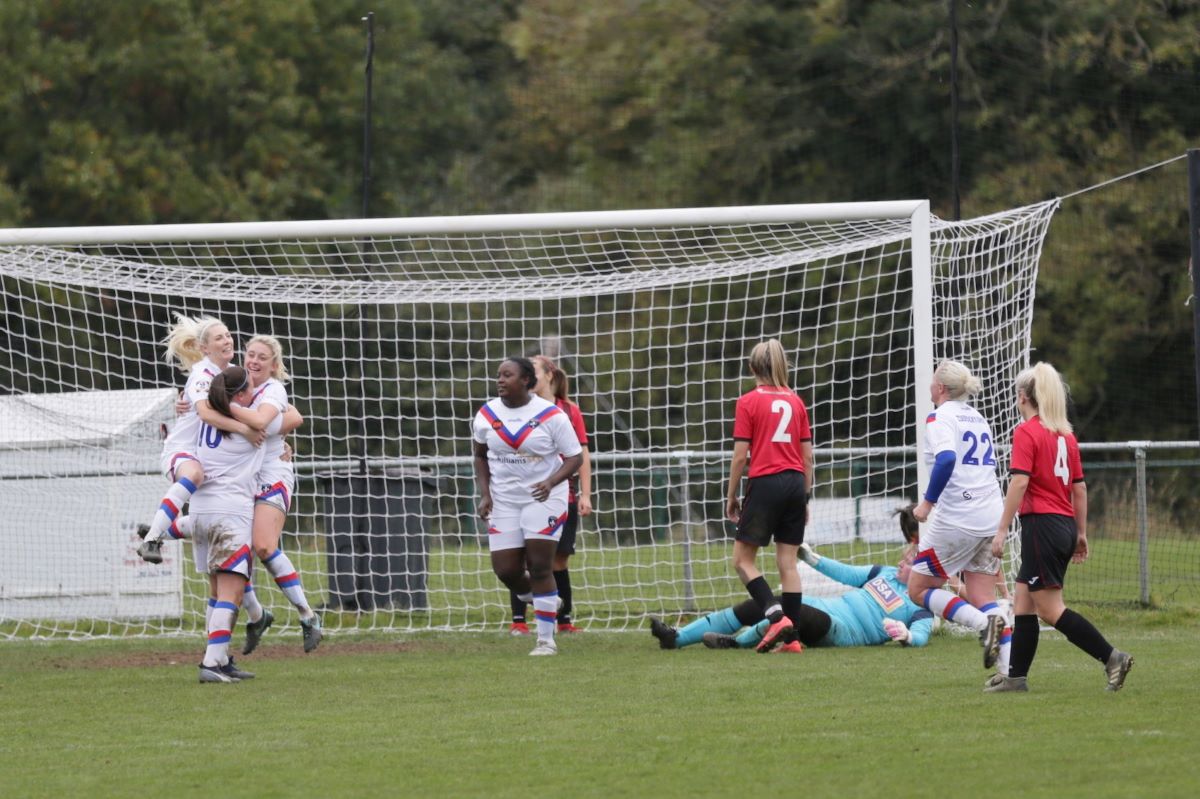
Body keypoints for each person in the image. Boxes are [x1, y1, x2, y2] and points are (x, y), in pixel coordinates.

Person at [985, 363, 1133, 693]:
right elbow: (1079, 488)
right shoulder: (1066, 435)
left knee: (1051, 610)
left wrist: (1001, 530)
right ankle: (1016, 678)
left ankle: (1113, 658)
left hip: (1041, 526)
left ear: (1023, 397)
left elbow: (1020, 482)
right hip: (1063, 525)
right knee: (1023, 600)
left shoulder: (1027, 432)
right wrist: (1080, 533)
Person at [650, 506, 936, 652]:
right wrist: (810, 557)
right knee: (761, 604)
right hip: (828, 607)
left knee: (788, 609)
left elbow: (923, 635)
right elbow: (846, 572)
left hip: (842, 632)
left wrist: (908, 635)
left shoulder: (920, 604)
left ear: (925, 568)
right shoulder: (883, 572)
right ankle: (676, 638)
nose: (902, 560)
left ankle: (736, 643)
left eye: (910, 560)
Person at [474, 357, 583, 656]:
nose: (500, 380)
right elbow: (480, 456)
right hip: (505, 499)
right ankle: (544, 598)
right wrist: (485, 495)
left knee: (539, 565)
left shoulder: (552, 415)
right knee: (506, 569)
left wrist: (550, 482)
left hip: (545, 497)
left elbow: (575, 457)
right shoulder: (485, 414)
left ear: (526, 381)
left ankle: (546, 639)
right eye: (498, 375)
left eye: (507, 375)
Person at [139, 314, 264, 565]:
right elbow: (207, 414)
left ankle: (158, 529)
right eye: (219, 338)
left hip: (211, 459)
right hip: (182, 450)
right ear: (204, 348)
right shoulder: (201, 375)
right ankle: (151, 539)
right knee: (194, 476)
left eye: (228, 335)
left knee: (218, 515)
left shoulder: (232, 374)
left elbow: (259, 408)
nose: (227, 340)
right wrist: (245, 430)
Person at [909, 360, 1008, 671]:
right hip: (992, 514)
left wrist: (927, 503)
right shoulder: (977, 417)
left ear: (940, 388)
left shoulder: (940, 416)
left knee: (919, 589)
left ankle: (984, 626)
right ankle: (1010, 672)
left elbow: (947, 459)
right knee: (982, 595)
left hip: (960, 518)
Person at [724, 338, 814, 653]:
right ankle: (793, 640)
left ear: (751, 368)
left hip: (766, 482)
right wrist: (805, 498)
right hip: (794, 483)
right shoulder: (796, 401)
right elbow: (807, 458)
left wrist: (731, 494)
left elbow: (739, 457)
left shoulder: (748, 401)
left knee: (742, 560)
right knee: (787, 563)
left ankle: (776, 617)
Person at [190, 365, 267, 683]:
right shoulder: (245, 427)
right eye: (250, 390)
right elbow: (278, 421)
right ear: (238, 396)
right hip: (229, 514)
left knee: (217, 590)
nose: (255, 395)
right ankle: (211, 663)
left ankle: (220, 660)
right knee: (232, 592)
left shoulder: (204, 419)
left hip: (199, 510)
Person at [508, 355, 592, 635]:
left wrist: (585, 494)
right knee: (524, 558)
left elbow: (581, 454)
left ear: (548, 375)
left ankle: (563, 619)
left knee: (558, 560)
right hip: (524, 494)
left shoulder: (568, 410)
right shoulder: (517, 408)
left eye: (532, 371)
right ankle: (519, 621)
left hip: (561, 496)